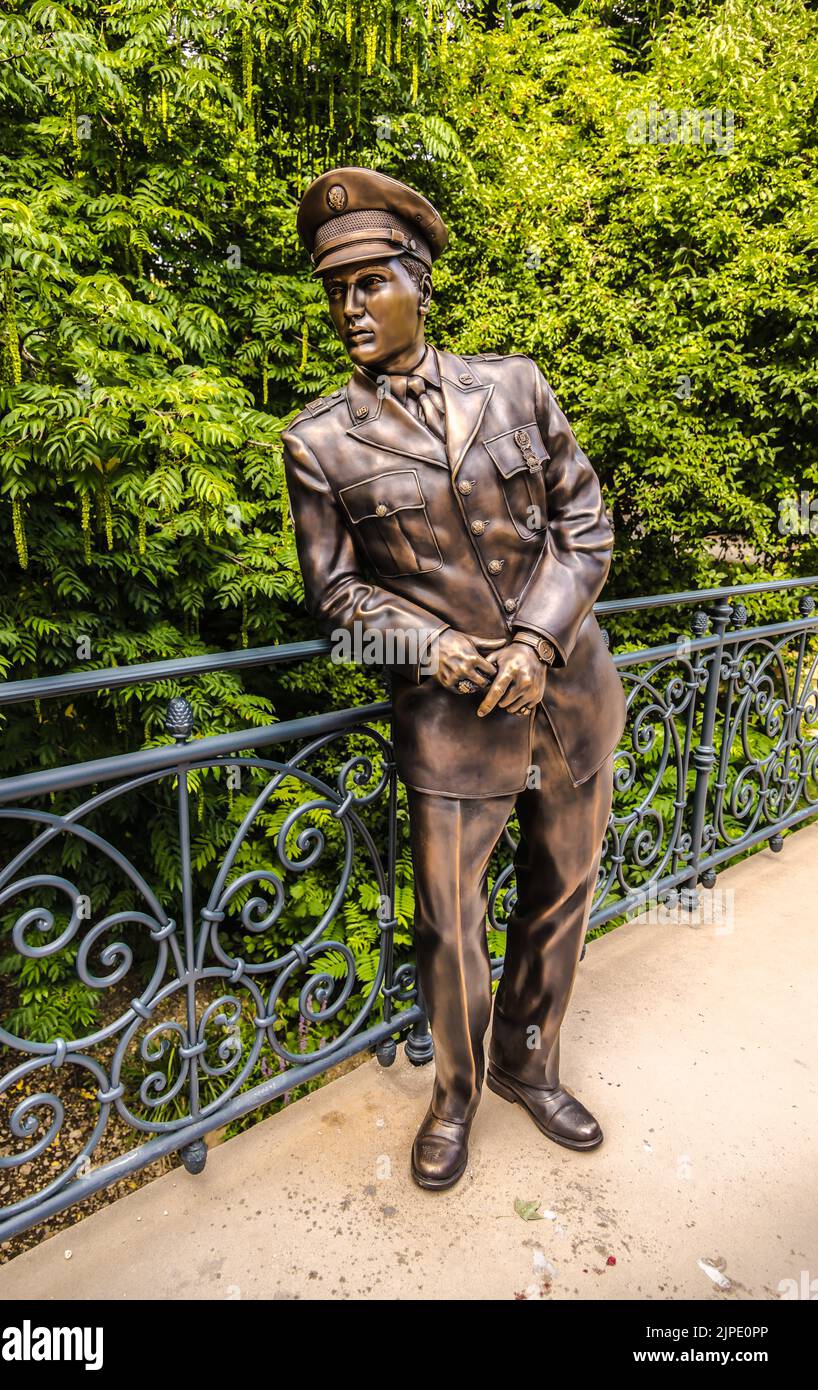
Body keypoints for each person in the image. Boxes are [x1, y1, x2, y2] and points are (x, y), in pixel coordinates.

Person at [281, 166, 626, 1190]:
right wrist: (430, 648)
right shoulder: (317, 443)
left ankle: (531, 1060)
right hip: (445, 719)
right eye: (333, 290)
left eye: (368, 283)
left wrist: (535, 642)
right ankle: (456, 1095)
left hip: (564, 695)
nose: (347, 306)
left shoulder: (513, 384)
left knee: (560, 893)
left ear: (417, 283)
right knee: (446, 924)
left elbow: (584, 524)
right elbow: (335, 598)